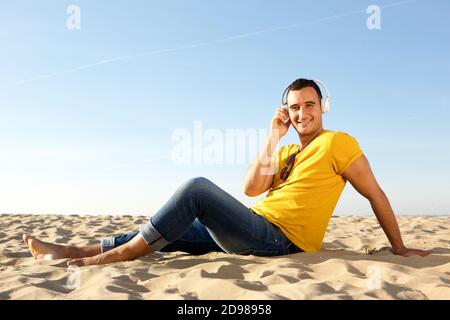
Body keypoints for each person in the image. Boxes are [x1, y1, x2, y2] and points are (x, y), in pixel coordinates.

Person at [23, 78, 430, 267]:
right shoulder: (286, 148)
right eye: (293, 107)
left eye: (309, 104)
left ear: (323, 106)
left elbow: (376, 195)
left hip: (281, 241)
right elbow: (252, 189)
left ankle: (118, 255)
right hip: (256, 225)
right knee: (171, 227)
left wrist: (399, 247)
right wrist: (272, 138)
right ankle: (75, 251)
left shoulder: (339, 142)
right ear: (285, 112)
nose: (302, 113)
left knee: (196, 189)